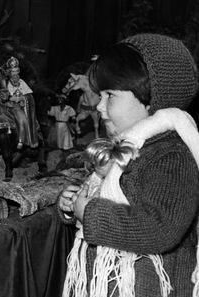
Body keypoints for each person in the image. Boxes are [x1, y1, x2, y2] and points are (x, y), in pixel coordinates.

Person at [58, 34, 199, 297]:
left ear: (151, 100)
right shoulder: (129, 147)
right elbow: (112, 193)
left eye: (110, 95)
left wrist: (91, 214)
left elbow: (160, 228)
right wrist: (73, 203)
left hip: (151, 288)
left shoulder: (171, 158)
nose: (99, 106)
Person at [5, 56, 40, 149]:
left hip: (20, 106)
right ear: (9, 73)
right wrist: (12, 99)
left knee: (23, 119)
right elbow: (5, 95)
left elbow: (29, 95)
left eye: (17, 72)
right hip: (10, 106)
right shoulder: (6, 83)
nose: (15, 75)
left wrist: (22, 98)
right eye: (13, 72)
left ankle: (22, 140)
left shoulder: (21, 82)